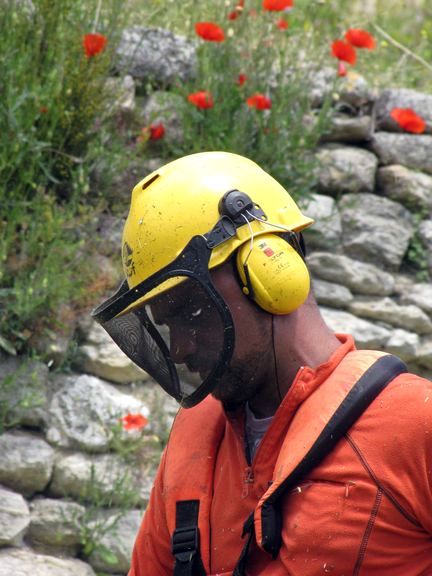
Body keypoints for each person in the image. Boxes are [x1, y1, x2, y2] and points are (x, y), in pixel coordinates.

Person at [92, 151, 432, 575]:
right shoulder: (193, 440)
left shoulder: (413, 424)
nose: (177, 349)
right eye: (167, 324)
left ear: (270, 270)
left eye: (188, 312)